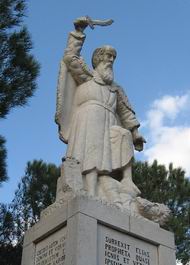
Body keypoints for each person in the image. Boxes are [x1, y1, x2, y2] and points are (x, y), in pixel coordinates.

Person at [56, 17, 146, 200]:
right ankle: (89, 190)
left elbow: (125, 111)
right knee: (91, 153)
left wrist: (135, 132)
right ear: (97, 58)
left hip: (109, 122)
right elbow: (69, 57)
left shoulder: (115, 88)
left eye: (113, 57)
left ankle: (126, 181)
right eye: (107, 56)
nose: (111, 60)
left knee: (122, 135)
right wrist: (79, 32)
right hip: (88, 120)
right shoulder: (86, 77)